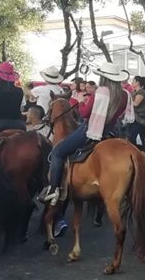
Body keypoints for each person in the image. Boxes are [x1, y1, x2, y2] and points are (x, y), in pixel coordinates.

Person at [43, 62, 134, 203]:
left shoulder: (101, 92)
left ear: (103, 78)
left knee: (58, 152)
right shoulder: (125, 94)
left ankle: (53, 189)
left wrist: (80, 102)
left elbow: (84, 114)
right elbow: (121, 115)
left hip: (90, 131)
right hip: (111, 132)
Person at [127, 76, 145, 151]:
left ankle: (141, 152)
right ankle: (141, 151)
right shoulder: (135, 92)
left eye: (133, 81)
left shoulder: (141, 92)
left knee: (134, 137)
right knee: (134, 137)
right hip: (135, 118)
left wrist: (127, 102)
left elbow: (136, 104)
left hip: (140, 120)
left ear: (137, 83)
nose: (132, 83)